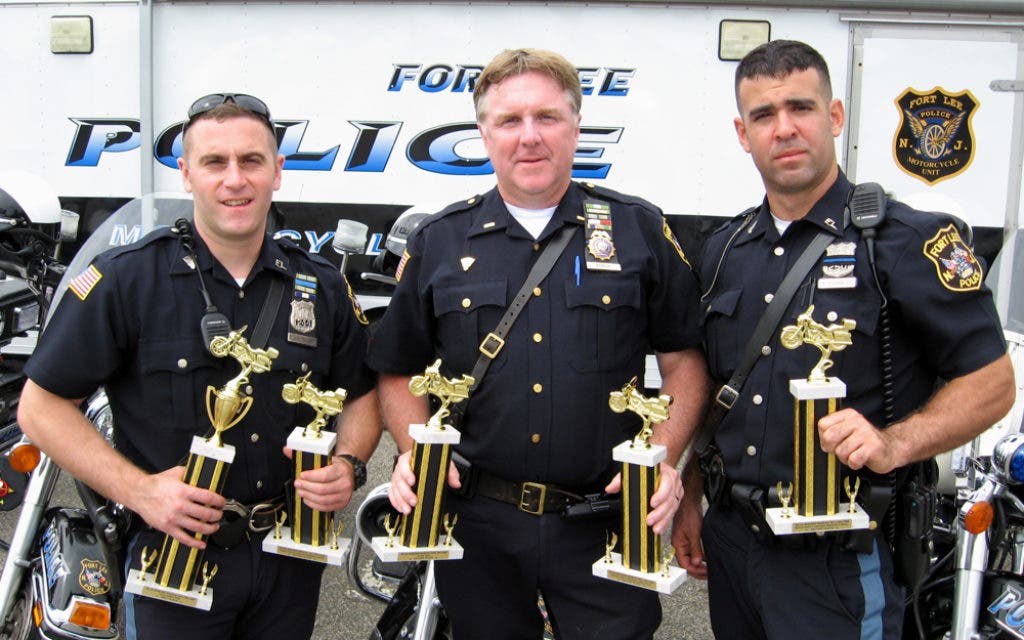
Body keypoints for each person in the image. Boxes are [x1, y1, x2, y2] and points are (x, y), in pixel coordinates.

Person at [671, 40, 1015, 639]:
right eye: (763, 115)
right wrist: (691, 491)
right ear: (741, 132)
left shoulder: (905, 241)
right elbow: (720, 385)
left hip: (838, 553)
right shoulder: (725, 250)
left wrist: (893, 442)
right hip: (732, 539)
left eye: (800, 108)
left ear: (833, 116)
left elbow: (991, 382)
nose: (784, 129)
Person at [367, 48, 709, 640]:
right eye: (509, 120)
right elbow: (397, 369)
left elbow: (685, 362)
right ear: (483, 132)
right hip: (479, 529)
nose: (529, 137)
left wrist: (663, 459)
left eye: (547, 117)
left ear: (577, 126)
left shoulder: (637, 228)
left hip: (606, 523)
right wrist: (413, 451)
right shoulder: (441, 240)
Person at [18, 93, 381, 639]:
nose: (234, 179)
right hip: (173, 558)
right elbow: (41, 408)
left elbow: (361, 393)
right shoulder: (127, 279)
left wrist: (349, 464)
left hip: (289, 557)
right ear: (186, 174)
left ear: (278, 172)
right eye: (215, 162)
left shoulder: (322, 285)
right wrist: (140, 492)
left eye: (251, 160)